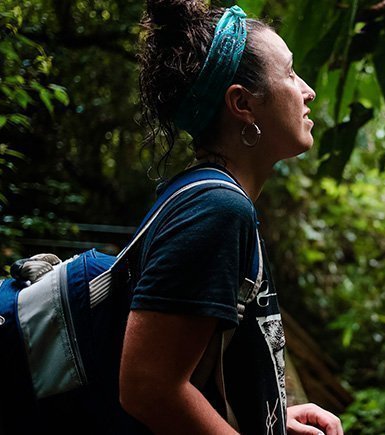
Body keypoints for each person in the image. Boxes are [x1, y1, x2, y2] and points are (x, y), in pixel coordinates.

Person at [118, 1, 343, 434]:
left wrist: (269, 415)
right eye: (292, 74)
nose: (308, 90)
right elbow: (148, 386)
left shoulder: (206, 197)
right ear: (243, 104)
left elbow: (190, 367)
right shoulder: (217, 210)